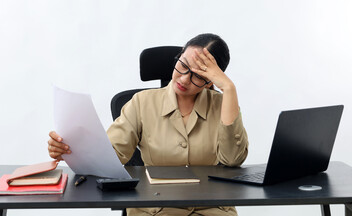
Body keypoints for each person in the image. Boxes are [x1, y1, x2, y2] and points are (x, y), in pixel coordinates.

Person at [48, 33, 249, 216]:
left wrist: (229, 89)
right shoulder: (141, 102)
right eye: (183, 65)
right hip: (154, 208)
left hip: (210, 208)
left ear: (210, 81)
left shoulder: (222, 105)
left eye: (198, 75)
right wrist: (71, 149)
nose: (185, 78)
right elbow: (110, 154)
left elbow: (233, 159)